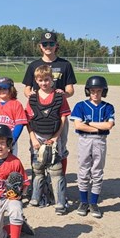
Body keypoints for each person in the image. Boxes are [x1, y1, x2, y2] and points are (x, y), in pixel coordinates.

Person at [22, 31, 77, 173]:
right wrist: (32, 95)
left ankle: (59, 181)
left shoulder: (65, 65)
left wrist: (62, 94)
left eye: (51, 43)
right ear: (40, 46)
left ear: (56, 45)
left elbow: (70, 90)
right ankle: (38, 180)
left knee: (60, 148)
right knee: (35, 147)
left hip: (58, 112)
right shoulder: (34, 65)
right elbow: (26, 90)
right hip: (39, 111)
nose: (48, 46)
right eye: (45, 44)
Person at [25, 65, 71, 214]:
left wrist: (56, 137)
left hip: (54, 136)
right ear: (36, 81)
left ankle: (60, 202)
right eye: (40, 80)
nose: (44, 83)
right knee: (38, 169)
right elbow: (28, 120)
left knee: (56, 171)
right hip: (37, 136)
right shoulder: (32, 98)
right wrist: (33, 139)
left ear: (52, 80)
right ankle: (36, 197)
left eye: (47, 79)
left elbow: (63, 118)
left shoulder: (59, 97)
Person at [70, 76, 115, 218]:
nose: (95, 93)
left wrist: (88, 123)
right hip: (84, 140)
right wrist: (98, 127)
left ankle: (94, 203)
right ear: (88, 91)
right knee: (83, 170)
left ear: (104, 91)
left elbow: (109, 125)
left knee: (97, 171)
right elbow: (78, 125)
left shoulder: (108, 107)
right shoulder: (80, 105)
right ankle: (83, 202)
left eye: (99, 91)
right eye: (92, 90)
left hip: (100, 141)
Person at [0, 77, 27, 156]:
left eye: (4, 89)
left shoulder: (16, 104)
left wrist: (12, 140)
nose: (1, 91)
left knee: (10, 162)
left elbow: (19, 125)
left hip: (9, 138)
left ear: (11, 89)